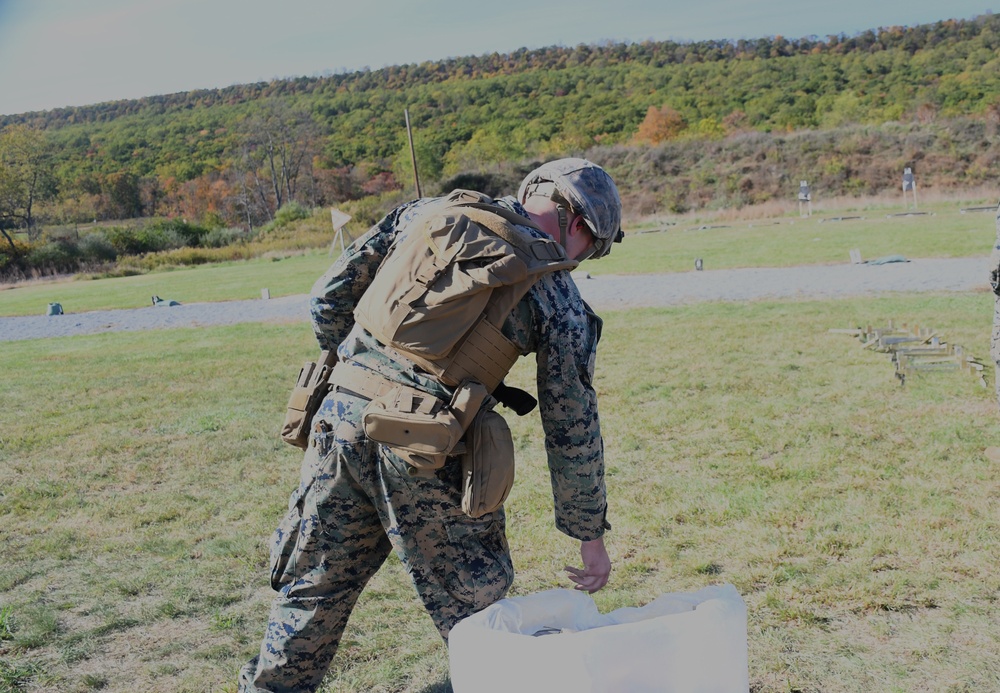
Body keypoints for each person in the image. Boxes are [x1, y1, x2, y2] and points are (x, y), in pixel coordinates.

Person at [239, 158, 623, 692]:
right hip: (426, 450)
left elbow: (327, 297)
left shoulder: (426, 214)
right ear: (580, 225)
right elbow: (572, 426)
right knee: (477, 608)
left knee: (313, 589)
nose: (581, 260)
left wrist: (365, 371)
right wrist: (588, 536)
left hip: (338, 422)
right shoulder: (556, 295)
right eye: (593, 249)